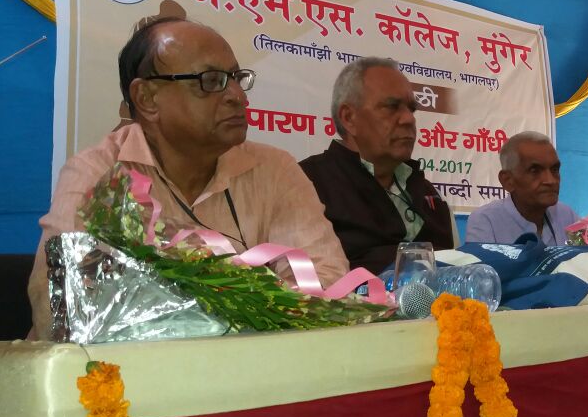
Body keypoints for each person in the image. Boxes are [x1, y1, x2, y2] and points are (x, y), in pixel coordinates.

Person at [27, 17, 349, 339]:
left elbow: (326, 282)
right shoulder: (98, 173)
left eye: (236, 78)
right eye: (210, 81)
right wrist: (237, 316)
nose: (238, 96)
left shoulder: (274, 169)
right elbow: (62, 304)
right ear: (147, 98)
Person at [300, 57, 453, 274]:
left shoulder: (425, 192)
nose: (408, 119)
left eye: (411, 109)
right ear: (349, 118)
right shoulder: (306, 184)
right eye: (391, 107)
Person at [465, 132, 579, 245]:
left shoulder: (567, 215)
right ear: (508, 180)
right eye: (535, 171)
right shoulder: (485, 221)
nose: (551, 181)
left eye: (554, 170)